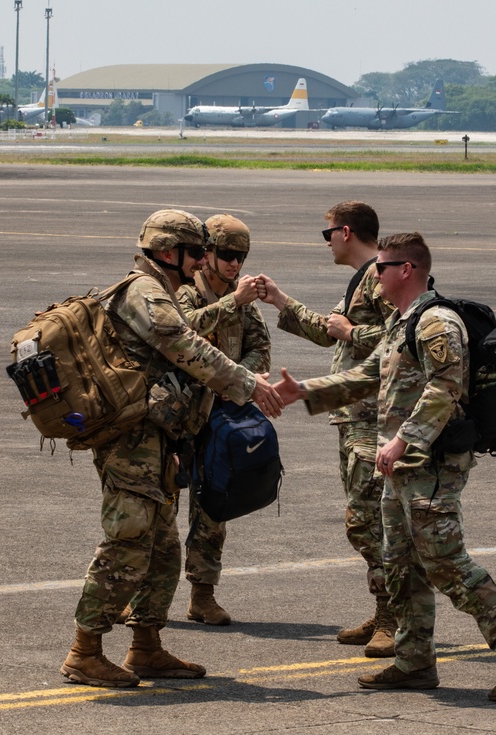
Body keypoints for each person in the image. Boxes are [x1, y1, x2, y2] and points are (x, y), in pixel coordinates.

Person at [271, 232, 496, 702]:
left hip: (431, 463)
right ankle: (414, 659)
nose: (373, 275)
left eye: (381, 267)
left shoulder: (437, 322)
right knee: (400, 562)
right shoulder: (403, 322)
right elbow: (368, 374)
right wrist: (307, 392)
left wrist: (402, 441)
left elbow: (446, 388)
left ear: (406, 270)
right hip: (400, 465)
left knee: (445, 561)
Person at [61, 209, 283, 688]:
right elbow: (184, 345)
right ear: (168, 252)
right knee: (127, 544)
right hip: (132, 440)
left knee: (163, 549)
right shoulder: (144, 292)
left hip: (158, 436)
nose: (205, 259)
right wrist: (247, 382)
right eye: (197, 251)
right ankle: (84, 651)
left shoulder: (160, 289)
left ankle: (146, 647)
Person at [254, 201, 396, 656]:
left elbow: (405, 334)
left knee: (368, 521)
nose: (328, 241)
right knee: (363, 520)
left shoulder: (379, 277)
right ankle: (385, 607)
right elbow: (326, 329)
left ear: (347, 232)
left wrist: (352, 334)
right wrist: (279, 299)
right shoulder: (362, 279)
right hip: (353, 416)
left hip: (373, 417)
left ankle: (394, 618)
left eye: (328, 233)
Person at [175, 213, 271, 626]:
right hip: (177, 413)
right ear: (208, 253)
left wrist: (233, 380)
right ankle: (138, 593)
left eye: (242, 257)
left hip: (220, 415)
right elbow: (181, 334)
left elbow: (261, 352)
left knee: (214, 507)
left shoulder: (243, 299)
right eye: (228, 255)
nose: (235, 265)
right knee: (157, 507)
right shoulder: (184, 292)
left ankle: (202, 593)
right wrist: (233, 302)